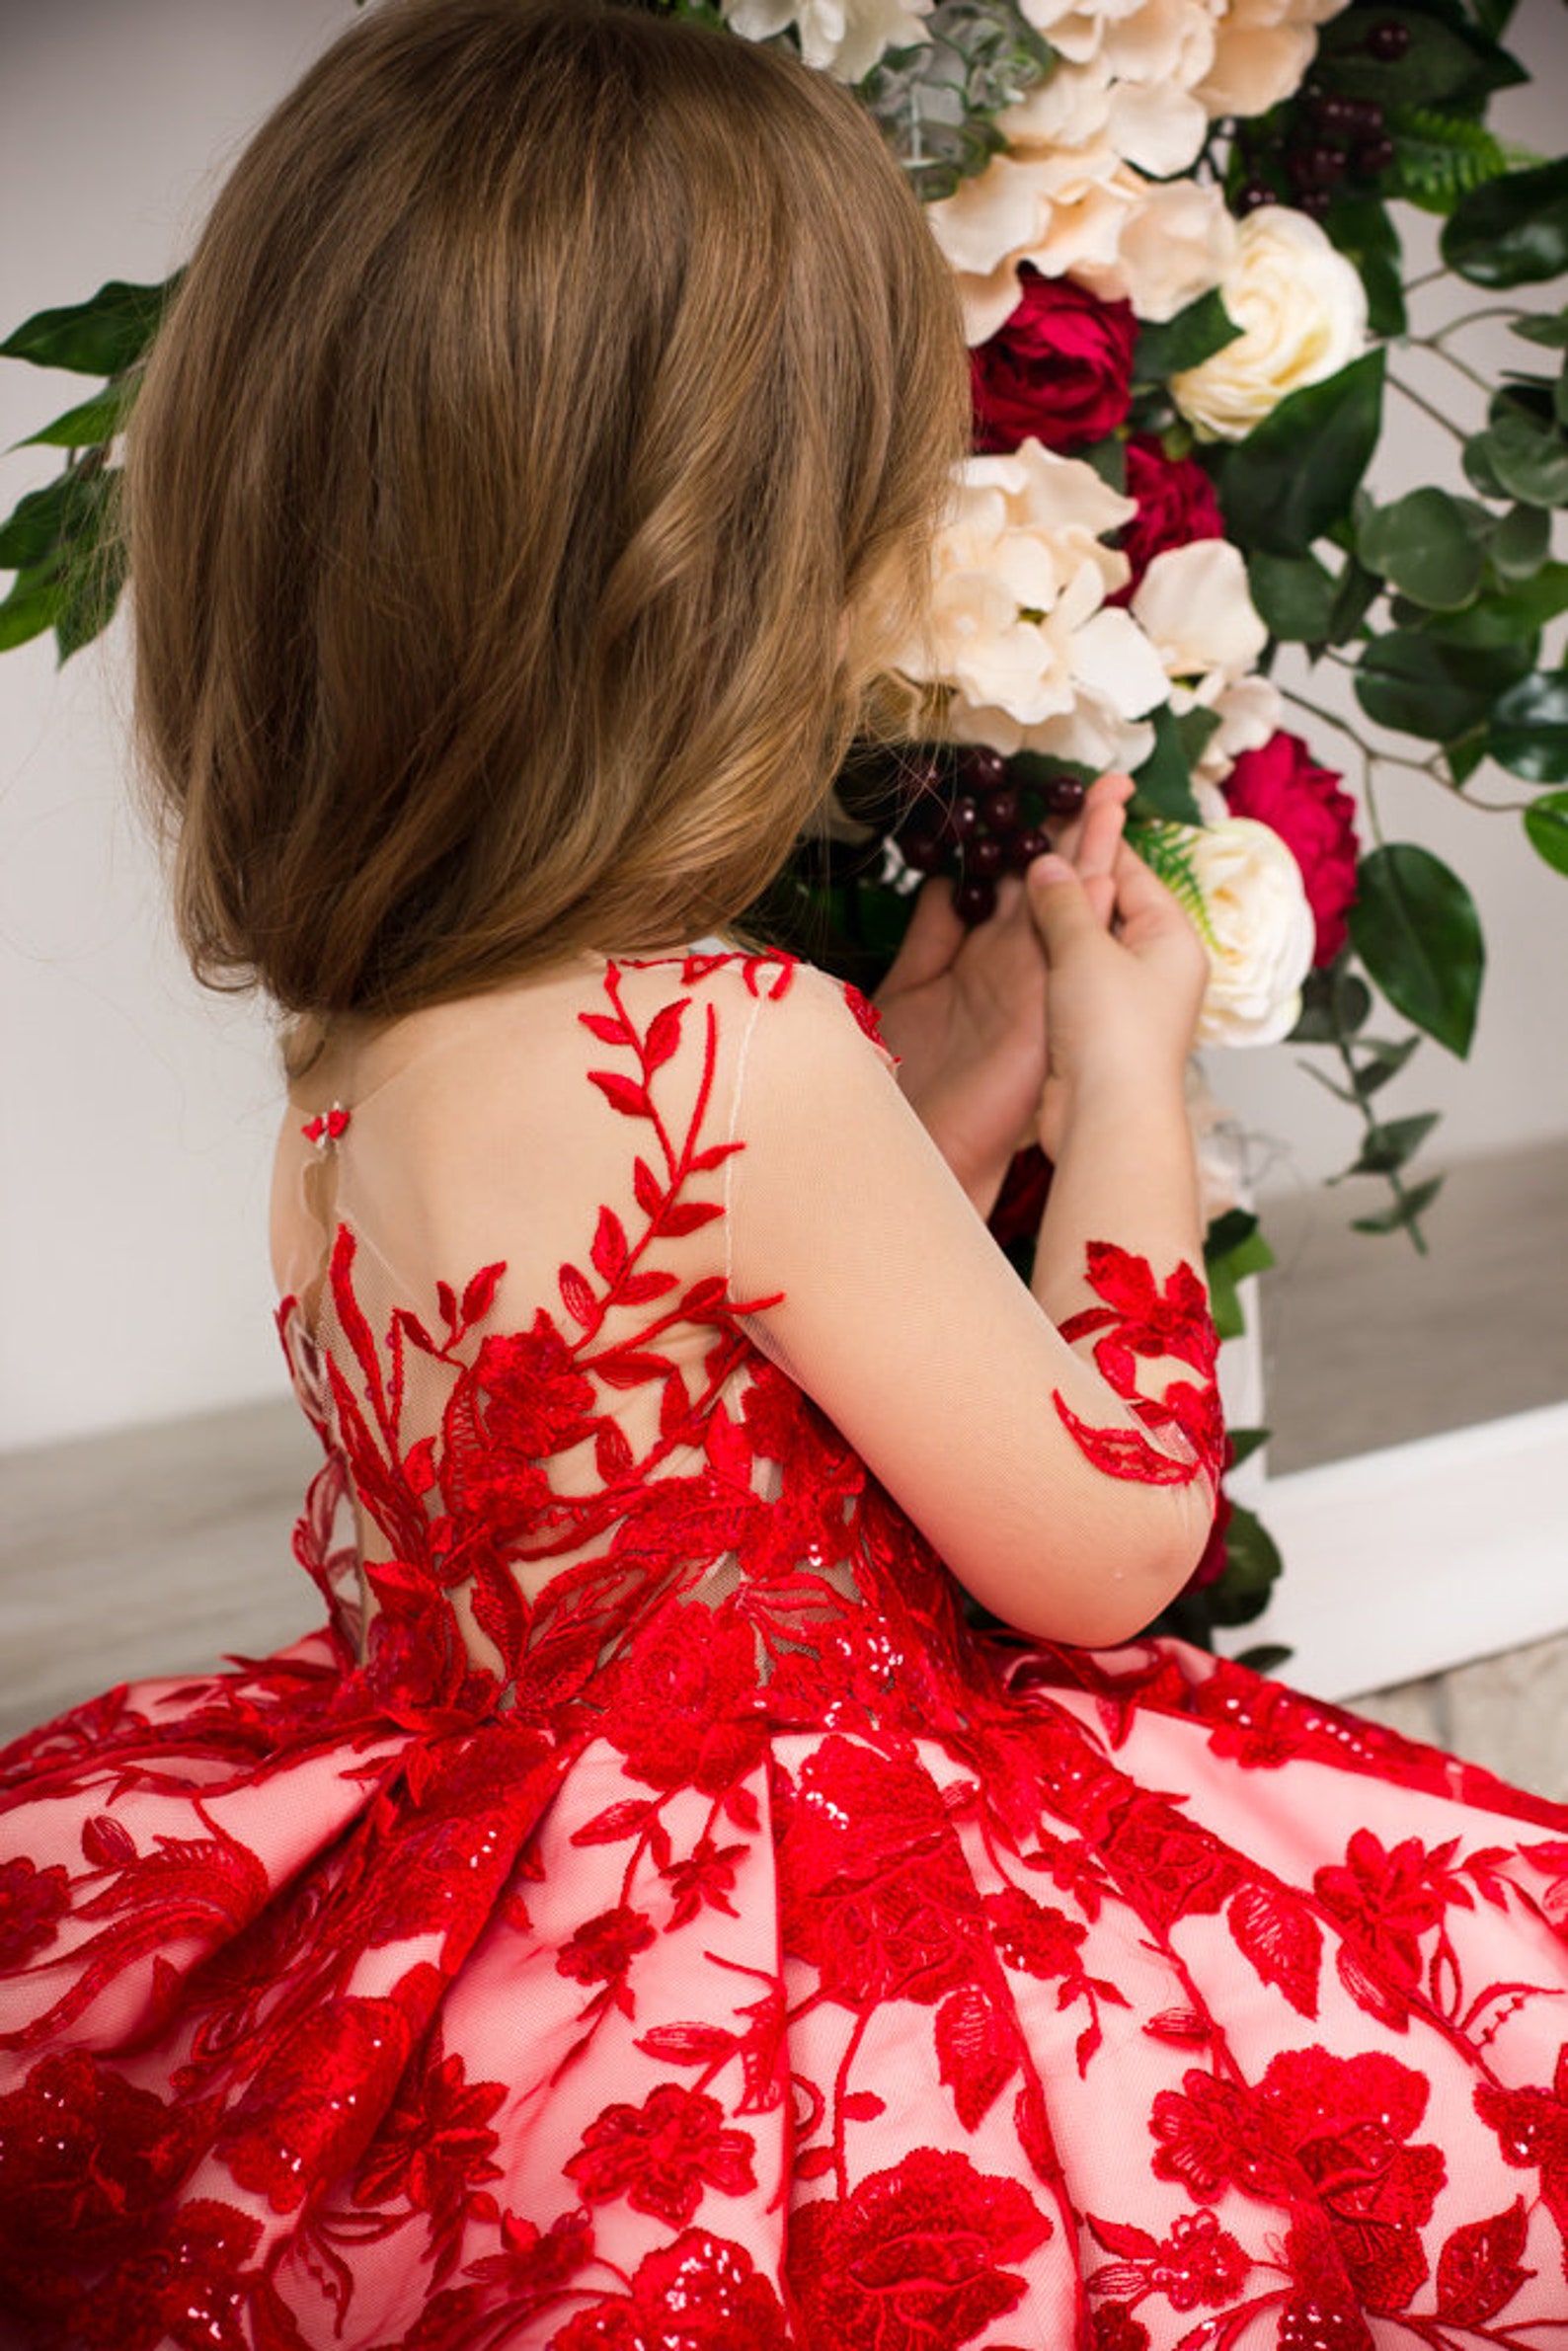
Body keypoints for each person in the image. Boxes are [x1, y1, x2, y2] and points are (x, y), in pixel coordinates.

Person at [2, 2, 1567, 2343]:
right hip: (782, 1954)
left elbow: (642, 1401)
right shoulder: (727, 1042)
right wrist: (1120, 1082)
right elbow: (1107, 1549)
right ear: (728, 572)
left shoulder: (368, 1045)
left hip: (491, 1908)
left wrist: (926, 1094)